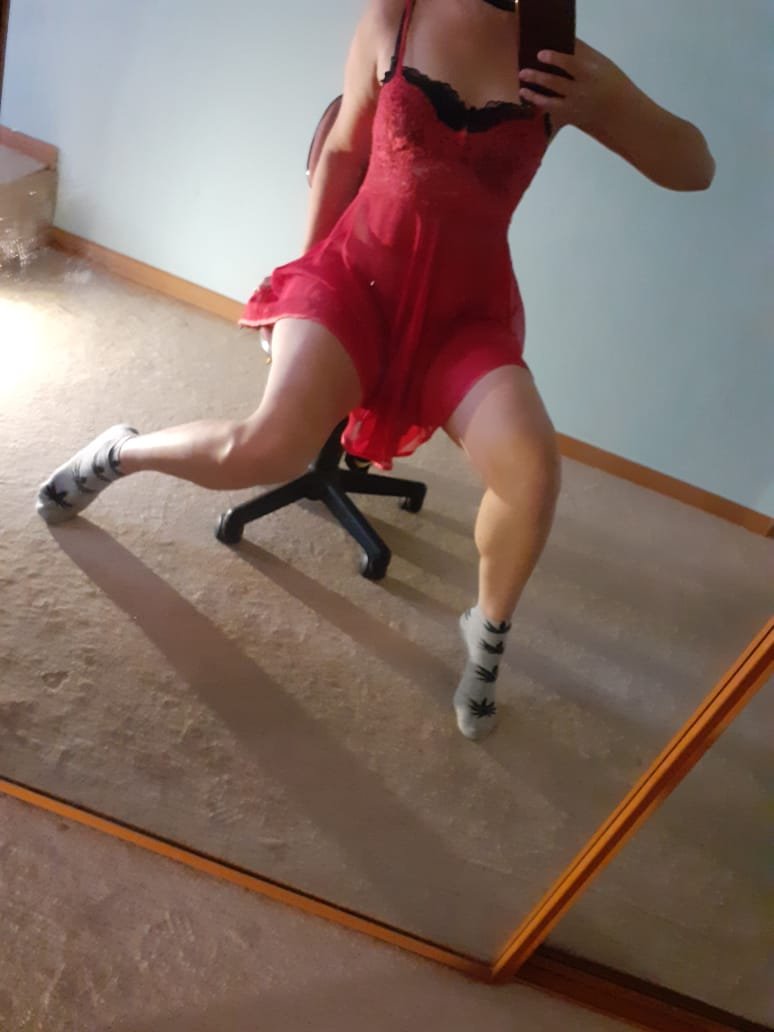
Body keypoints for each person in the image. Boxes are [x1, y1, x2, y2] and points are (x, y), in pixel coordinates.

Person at [36, 0, 716, 740]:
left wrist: (609, 103)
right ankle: (119, 452)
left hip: (464, 320)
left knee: (533, 474)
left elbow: (696, 169)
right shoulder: (397, 15)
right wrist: (298, 281)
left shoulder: (562, 64)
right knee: (266, 448)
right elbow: (341, 154)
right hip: (354, 280)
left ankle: (486, 632)